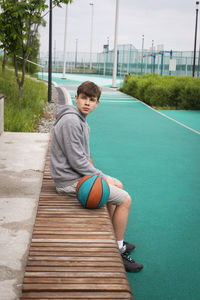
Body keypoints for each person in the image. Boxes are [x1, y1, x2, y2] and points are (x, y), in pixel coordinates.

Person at [50, 81, 143, 272]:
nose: (87, 103)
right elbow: (77, 161)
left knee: (117, 184)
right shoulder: (72, 121)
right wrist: (101, 176)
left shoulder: (78, 119)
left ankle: (110, 236)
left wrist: (103, 177)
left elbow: (80, 159)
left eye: (91, 100)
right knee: (125, 199)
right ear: (76, 98)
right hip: (69, 181)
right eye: (83, 98)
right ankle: (117, 250)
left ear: (97, 103)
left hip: (72, 176)